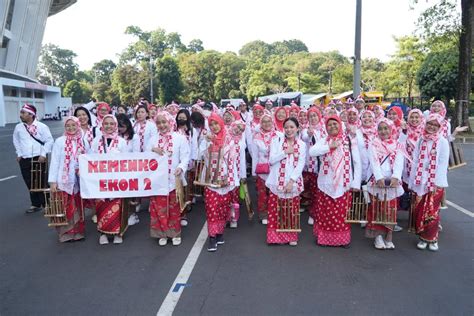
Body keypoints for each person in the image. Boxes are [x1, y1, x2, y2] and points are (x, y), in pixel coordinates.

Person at [309, 115, 361, 248]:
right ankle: (324, 239)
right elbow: (312, 151)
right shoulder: (324, 140)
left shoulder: (349, 140)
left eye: (335, 124)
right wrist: (329, 147)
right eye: (329, 125)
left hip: (344, 183)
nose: (332, 127)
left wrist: (356, 183)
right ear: (326, 128)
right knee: (325, 214)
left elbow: (357, 161)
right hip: (326, 183)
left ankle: (342, 240)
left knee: (342, 214)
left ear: (340, 125)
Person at [147, 111, 190, 246]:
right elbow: (144, 158)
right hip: (157, 180)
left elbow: (185, 156)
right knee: (159, 207)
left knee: (173, 207)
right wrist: (153, 150)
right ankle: (162, 233)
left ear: (170, 122)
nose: (161, 125)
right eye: (158, 122)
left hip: (173, 179)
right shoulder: (152, 140)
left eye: (164, 122)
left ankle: (174, 233)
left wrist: (181, 167)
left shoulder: (179, 138)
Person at [409, 113, 449, 251]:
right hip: (420, 181)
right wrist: (412, 181)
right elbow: (415, 160)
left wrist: (436, 183)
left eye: (435, 125)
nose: (431, 127)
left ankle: (432, 239)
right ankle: (422, 238)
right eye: (429, 124)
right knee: (420, 210)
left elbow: (443, 163)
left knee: (432, 212)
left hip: (435, 183)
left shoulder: (442, 142)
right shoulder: (421, 140)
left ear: (439, 127)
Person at [265, 117, 306, 246]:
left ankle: (291, 236)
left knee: (291, 210)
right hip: (276, 180)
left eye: (292, 127)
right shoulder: (276, 141)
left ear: (297, 128)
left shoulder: (302, 144)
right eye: (286, 127)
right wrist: (285, 152)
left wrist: (291, 181)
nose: (289, 130)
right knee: (276, 209)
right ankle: (275, 237)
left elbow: (300, 164)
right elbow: (271, 160)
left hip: (292, 182)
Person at [366, 118, 405, 250]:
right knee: (377, 209)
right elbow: (374, 161)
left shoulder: (397, 145)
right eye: (380, 129)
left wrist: (396, 177)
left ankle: (389, 235)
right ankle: (378, 236)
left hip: (392, 183)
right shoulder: (373, 144)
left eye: (386, 128)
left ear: (391, 129)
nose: (383, 131)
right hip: (378, 182)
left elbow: (400, 162)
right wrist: (379, 177)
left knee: (390, 210)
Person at [199, 113, 235, 252]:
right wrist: (208, 141)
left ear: (221, 123)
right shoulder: (206, 138)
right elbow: (198, 154)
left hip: (224, 179)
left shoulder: (229, 139)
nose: (214, 127)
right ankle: (212, 237)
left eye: (216, 123)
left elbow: (231, 160)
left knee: (222, 209)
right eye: (211, 124)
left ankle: (220, 233)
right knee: (212, 209)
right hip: (210, 179)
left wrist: (231, 179)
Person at [90, 115, 128, 245]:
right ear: (102, 125)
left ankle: (118, 233)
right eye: (106, 123)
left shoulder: (121, 142)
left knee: (117, 206)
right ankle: (103, 233)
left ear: (115, 125)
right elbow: (90, 160)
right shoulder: (96, 141)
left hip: (117, 181)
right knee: (101, 205)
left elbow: (126, 161)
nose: (109, 126)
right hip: (100, 180)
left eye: (112, 124)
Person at [48, 117, 86, 242]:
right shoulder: (60, 141)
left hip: (78, 180)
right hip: (63, 180)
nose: (71, 128)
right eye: (68, 126)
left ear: (78, 125)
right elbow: (54, 161)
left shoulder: (83, 140)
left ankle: (78, 232)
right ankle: (66, 233)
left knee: (77, 206)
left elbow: (88, 158)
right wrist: (53, 181)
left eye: (74, 125)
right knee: (64, 207)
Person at [13, 104, 54, 213]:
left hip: (39, 157)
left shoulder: (42, 126)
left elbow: (49, 141)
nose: (21, 115)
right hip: (25, 158)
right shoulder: (18, 127)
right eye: (21, 112)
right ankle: (35, 204)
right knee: (29, 182)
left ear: (31, 115)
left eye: (23, 113)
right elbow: (16, 141)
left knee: (41, 182)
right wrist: (19, 154)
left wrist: (43, 154)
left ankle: (48, 205)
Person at [254, 111, 282, 224]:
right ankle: (264, 214)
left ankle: (275, 212)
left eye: (269, 121)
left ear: (272, 122)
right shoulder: (256, 137)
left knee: (275, 192)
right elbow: (255, 156)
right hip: (262, 169)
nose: (266, 124)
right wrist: (254, 173)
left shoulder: (279, 135)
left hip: (275, 168)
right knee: (262, 193)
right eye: (264, 122)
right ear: (261, 124)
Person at [300, 107, 325, 225]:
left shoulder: (324, 128)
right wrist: (309, 135)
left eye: (315, 115)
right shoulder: (306, 129)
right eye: (311, 116)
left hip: (323, 165)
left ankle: (318, 213)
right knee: (311, 190)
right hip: (310, 165)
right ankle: (311, 211)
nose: (313, 118)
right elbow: (304, 138)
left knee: (320, 191)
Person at [176, 109, 194, 227]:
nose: (181, 119)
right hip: (174, 164)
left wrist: (191, 161)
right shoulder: (173, 130)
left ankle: (183, 214)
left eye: (184, 117)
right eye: (179, 117)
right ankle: (176, 214)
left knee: (184, 189)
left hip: (185, 164)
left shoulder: (191, 131)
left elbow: (193, 146)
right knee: (175, 192)